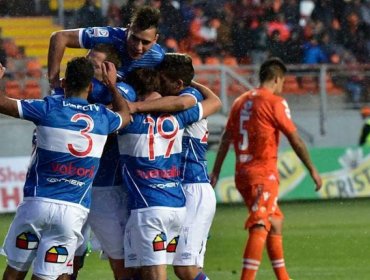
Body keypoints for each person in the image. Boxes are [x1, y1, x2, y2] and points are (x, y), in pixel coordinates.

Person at [0, 58, 131, 280]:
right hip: (72, 212)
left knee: (14, 272)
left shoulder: (47, 108)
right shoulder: (102, 117)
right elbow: (126, 115)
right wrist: (112, 85)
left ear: (64, 83)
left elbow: (4, 104)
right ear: (90, 87)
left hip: (36, 205)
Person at [210, 57, 322, 280]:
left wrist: (216, 170)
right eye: (282, 83)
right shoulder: (274, 102)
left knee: (275, 221)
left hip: (242, 173)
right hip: (263, 173)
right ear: (278, 79)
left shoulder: (240, 101)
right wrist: (312, 169)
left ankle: (283, 277)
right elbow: (295, 139)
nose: (282, 88)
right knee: (260, 224)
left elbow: (226, 139)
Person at [118, 64, 221, 280]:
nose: (159, 83)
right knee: (141, 267)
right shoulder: (168, 107)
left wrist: (134, 105)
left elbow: (202, 102)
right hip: (171, 191)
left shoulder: (186, 98)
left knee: (185, 268)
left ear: (178, 84)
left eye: (163, 79)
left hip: (192, 187)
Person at [48, 5, 164, 88]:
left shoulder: (159, 57)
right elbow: (59, 37)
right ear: (127, 29)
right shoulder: (110, 36)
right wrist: (54, 80)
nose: (138, 47)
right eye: (134, 38)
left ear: (155, 39)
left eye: (145, 42)